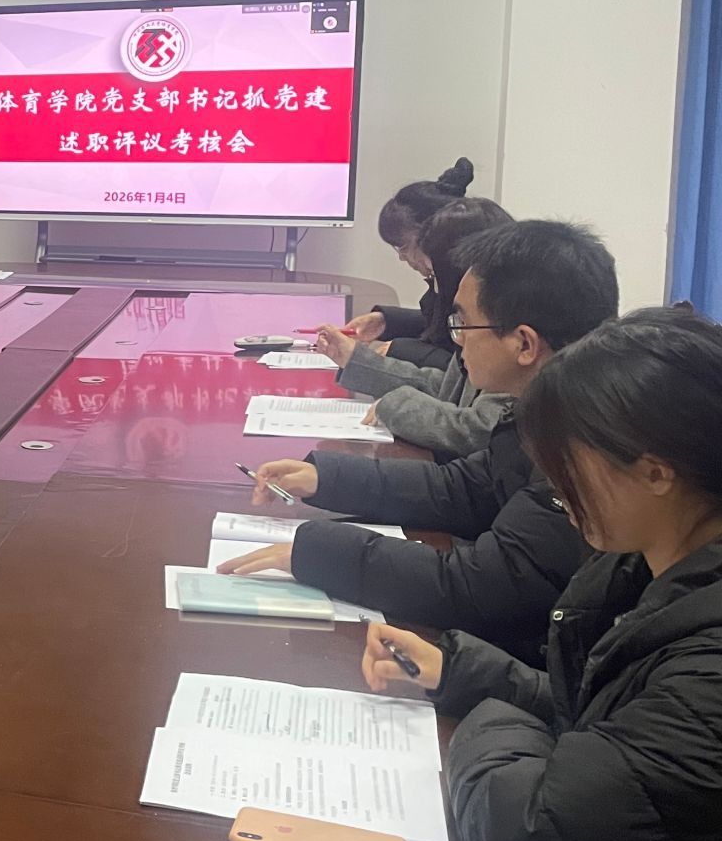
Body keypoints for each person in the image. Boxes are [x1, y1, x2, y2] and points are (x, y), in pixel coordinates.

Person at [360, 308, 722, 841]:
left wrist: (492, 713)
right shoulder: (642, 566)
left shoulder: (708, 670)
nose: (555, 486)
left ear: (657, 474)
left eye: (567, 463)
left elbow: (518, 830)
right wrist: (460, 670)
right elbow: (613, 720)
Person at [220, 221, 617, 662]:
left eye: (463, 323)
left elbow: (478, 588)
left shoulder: (583, 446)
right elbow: (463, 489)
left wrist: (317, 552)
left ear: (524, 344)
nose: (455, 341)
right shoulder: (545, 411)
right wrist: (324, 478)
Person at [322, 197, 515, 459]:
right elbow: (449, 389)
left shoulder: (505, 331)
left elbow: (479, 429)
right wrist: (358, 361)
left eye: (434, 274)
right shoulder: (485, 316)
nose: (431, 282)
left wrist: (396, 406)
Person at [327, 158, 475, 367]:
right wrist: (386, 322)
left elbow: (464, 365)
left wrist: (398, 350)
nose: (402, 257)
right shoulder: (445, 273)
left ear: (432, 236)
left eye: (403, 247)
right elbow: (441, 326)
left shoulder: (470, 280)